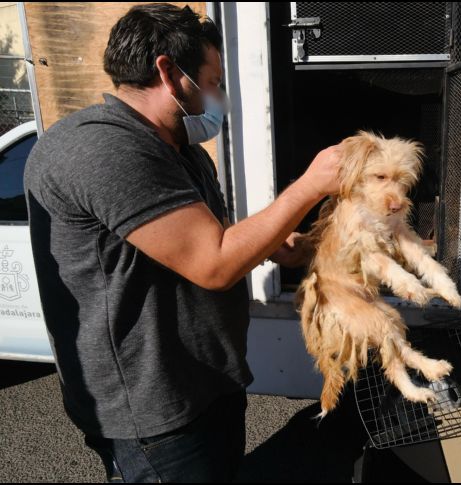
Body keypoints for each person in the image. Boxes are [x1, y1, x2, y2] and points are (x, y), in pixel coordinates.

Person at [23, 3, 339, 482]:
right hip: (156, 413)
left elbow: (207, 234)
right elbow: (212, 262)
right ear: (169, 73)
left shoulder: (181, 152)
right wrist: (311, 185)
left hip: (205, 384)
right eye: (212, 81)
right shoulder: (104, 150)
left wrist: (274, 241)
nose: (218, 96)